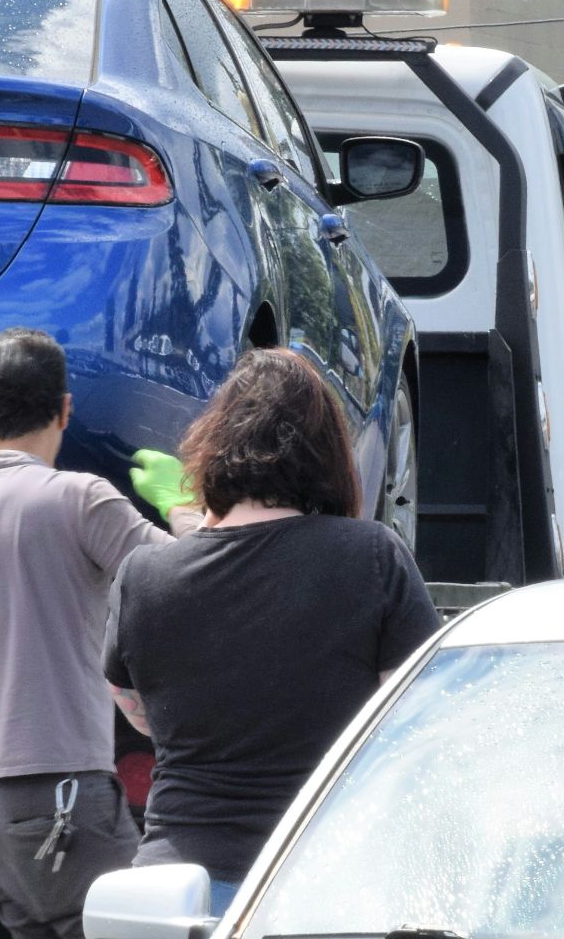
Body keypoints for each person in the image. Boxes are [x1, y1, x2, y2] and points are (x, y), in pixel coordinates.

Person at [0, 327, 200, 939]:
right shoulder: (78, 499)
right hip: (62, 803)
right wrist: (182, 505)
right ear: (66, 410)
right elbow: (193, 580)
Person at [103, 347, 441, 906]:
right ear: (330, 456)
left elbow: (137, 711)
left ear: (213, 450)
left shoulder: (145, 575)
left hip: (175, 893)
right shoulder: (370, 557)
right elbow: (413, 714)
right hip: (321, 885)